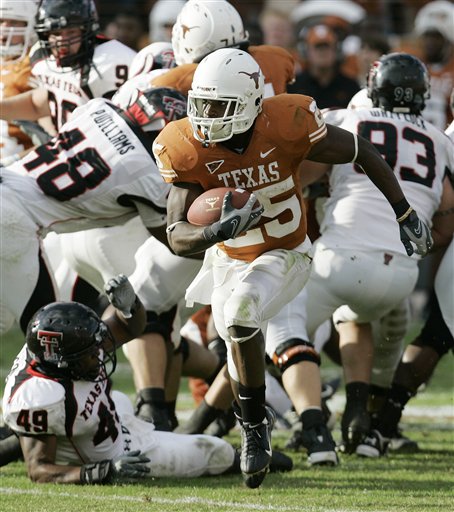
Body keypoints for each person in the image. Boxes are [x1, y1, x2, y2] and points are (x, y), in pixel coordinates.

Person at [153, 47, 432, 488]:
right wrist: (217, 231)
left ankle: (253, 430)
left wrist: (404, 212)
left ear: (248, 102)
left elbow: (363, 151)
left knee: (244, 316)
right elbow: (176, 233)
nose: (206, 117)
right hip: (227, 259)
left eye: (218, 107)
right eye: (200, 105)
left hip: (286, 251)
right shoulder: (185, 144)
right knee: (232, 336)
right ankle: (238, 417)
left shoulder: (288, 121)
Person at [295, 53, 453, 455]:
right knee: (368, 320)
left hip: (340, 258)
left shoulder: (346, 119)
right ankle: (367, 421)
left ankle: (275, 420)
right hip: (400, 273)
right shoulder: (438, 139)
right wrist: (425, 241)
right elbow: (447, 211)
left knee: (274, 331)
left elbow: (298, 178)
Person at [1, 277, 293, 482]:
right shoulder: (42, 398)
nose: (100, 353)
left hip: (107, 416)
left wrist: (131, 306)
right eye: (91, 354)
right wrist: (102, 471)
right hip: (122, 449)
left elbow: (131, 328)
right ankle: (236, 456)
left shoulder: (63, 349)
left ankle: (24, 438)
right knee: (210, 450)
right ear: (64, 363)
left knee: (118, 399)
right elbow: (39, 471)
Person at [0, 85, 186, 337]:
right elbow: (173, 239)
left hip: (6, 180)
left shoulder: (98, 107)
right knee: (55, 335)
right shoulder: (147, 174)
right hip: (14, 223)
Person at [0, 0, 136, 134]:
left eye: (71, 32)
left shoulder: (115, 61)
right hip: (69, 147)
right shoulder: (42, 56)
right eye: (56, 33)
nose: (62, 41)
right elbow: (39, 104)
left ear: (86, 31)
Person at [0, 0, 41, 165]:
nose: (4, 28)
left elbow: (54, 137)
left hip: (21, 165)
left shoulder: (37, 66)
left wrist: (14, 160)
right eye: (1, 21)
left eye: (14, 22)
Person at [288, 24, 360, 109]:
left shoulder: (350, 86)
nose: (322, 52)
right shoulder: (294, 86)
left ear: (336, 50)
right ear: (306, 52)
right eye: (318, 47)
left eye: (326, 47)